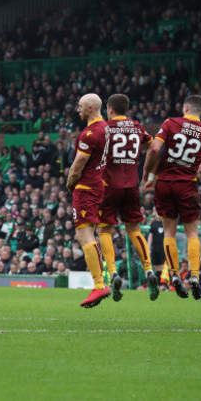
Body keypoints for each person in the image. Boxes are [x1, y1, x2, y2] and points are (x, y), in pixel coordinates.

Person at [142, 95, 201, 300]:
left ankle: (174, 275)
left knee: (169, 233)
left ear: (185, 107)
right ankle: (195, 276)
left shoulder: (171, 123)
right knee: (192, 233)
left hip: (165, 183)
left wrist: (149, 176)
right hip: (187, 185)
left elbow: (155, 148)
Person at [98, 94, 159, 302]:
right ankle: (149, 270)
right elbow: (154, 147)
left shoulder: (104, 128)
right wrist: (149, 174)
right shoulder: (137, 128)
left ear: (110, 109)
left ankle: (113, 273)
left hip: (109, 186)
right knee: (133, 229)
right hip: (132, 185)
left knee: (105, 229)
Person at [66, 93, 111, 308]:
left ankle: (100, 284)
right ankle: (101, 281)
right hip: (99, 184)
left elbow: (77, 167)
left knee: (84, 234)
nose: (78, 110)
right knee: (87, 233)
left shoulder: (90, 134)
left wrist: (69, 183)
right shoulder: (107, 128)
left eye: (80, 106)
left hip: (86, 187)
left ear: (91, 107)